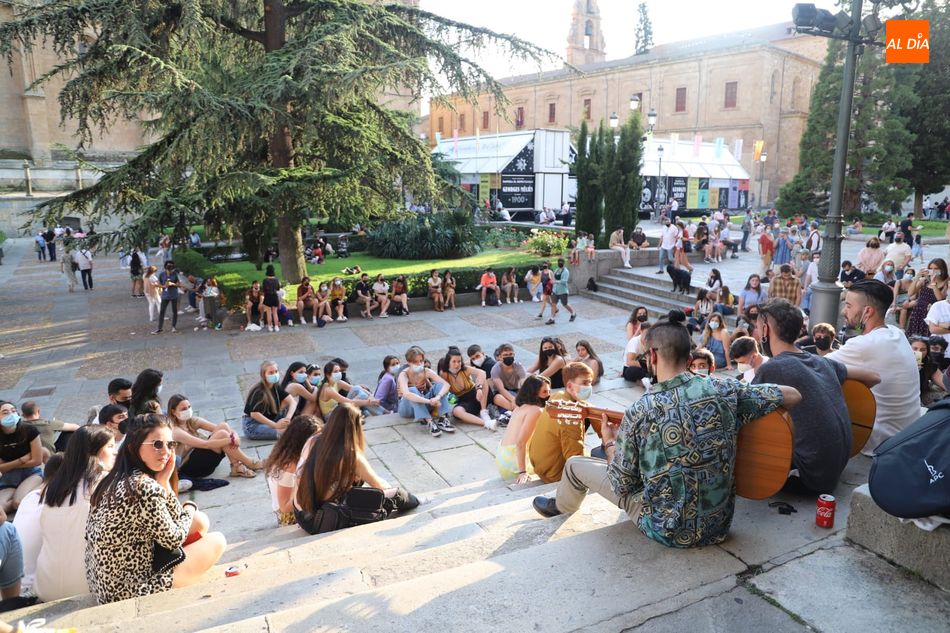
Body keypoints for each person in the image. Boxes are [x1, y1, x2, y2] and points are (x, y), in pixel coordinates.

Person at [531, 311, 802, 547]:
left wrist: (610, 442)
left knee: (576, 464)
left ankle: (561, 506)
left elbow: (620, 484)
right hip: (718, 526)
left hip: (666, 530)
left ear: (652, 356)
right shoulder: (724, 388)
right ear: (688, 355)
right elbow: (792, 395)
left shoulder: (641, 411)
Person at [86, 413, 226, 604]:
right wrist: (189, 508)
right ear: (133, 448)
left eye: (171, 445)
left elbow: (171, 524)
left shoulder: (112, 479)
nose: (166, 452)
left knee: (199, 522)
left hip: (103, 585)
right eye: (157, 444)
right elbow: (173, 539)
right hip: (131, 589)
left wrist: (164, 484)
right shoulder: (142, 486)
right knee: (217, 540)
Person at [753, 299, 880, 494]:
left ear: (766, 329)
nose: (755, 332)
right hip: (835, 467)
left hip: (809, 475)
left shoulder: (771, 368)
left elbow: (743, 411)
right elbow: (873, 377)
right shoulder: (822, 362)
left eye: (756, 327)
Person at [292, 405, 418, 535]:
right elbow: (379, 485)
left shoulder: (312, 441)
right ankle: (420, 502)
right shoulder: (351, 455)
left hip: (301, 513)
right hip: (325, 519)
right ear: (355, 428)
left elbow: (298, 476)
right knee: (397, 494)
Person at [827, 280, 920, 455]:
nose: (843, 311)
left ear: (867, 312)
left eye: (848, 306)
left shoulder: (864, 344)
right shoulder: (895, 332)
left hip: (880, 442)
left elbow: (812, 368)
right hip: (906, 433)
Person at [33, 425, 116, 602]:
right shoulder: (106, 484)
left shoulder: (53, 487)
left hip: (46, 586)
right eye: (110, 446)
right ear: (96, 452)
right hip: (90, 586)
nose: (115, 452)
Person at [527, 362, 600, 484]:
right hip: (555, 473)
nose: (589, 387)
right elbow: (576, 461)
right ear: (570, 386)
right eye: (585, 383)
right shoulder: (571, 414)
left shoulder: (558, 396)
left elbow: (584, 405)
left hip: (541, 467)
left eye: (590, 383)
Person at [168, 394, 262, 480]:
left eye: (189, 407)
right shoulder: (176, 431)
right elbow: (205, 445)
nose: (188, 411)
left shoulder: (192, 421)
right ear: (173, 412)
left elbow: (226, 428)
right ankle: (249, 462)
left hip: (201, 457)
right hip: (191, 468)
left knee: (223, 426)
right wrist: (231, 439)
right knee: (222, 434)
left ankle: (236, 466)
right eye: (183, 409)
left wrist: (235, 436)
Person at [264, 414, 321, 526]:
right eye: (314, 438)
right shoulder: (289, 466)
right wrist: (311, 492)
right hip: (290, 517)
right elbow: (285, 507)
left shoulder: (294, 456)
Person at [495, 375, 550, 483]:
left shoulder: (520, 407)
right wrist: (523, 472)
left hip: (503, 458)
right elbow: (520, 442)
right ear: (534, 393)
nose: (548, 395)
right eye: (544, 392)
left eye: (549, 391)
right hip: (513, 465)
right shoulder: (535, 410)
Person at [396, 346, 454, 437]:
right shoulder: (403, 374)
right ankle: (429, 422)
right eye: (415, 362)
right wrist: (429, 401)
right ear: (408, 362)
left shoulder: (426, 371)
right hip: (407, 409)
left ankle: (443, 419)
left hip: (424, 403)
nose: (419, 364)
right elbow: (406, 394)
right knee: (412, 390)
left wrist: (437, 397)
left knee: (439, 385)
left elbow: (446, 385)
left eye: (421, 361)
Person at [0, 402, 44, 515]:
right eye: (5, 412)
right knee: (1, 508)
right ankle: (17, 494)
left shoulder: (29, 430)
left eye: (13, 411)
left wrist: (9, 464)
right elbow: (1, 469)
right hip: (9, 479)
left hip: (31, 474)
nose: (11, 414)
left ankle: (42, 488)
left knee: (18, 502)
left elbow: (37, 460)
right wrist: (23, 460)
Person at [438, 348, 496, 430]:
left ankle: (484, 412)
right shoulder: (444, 374)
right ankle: (486, 423)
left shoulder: (464, 369)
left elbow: (482, 373)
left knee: (483, 381)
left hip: (479, 395)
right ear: (448, 362)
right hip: (464, 400)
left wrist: (479, 388)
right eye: (454, 361)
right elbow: (440, 387)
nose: (457, 364)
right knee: (456, 411)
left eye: (459, 361)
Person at [243, 361, 295, 440]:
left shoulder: (276, 387)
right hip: (253, 425)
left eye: (276, 371)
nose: (274, 374)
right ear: (264, 375)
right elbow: (254, 414)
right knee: (288, 433)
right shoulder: (259, 391)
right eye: (271, 373)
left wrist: (288, 419)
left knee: (291, 427)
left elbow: (292, 402)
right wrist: (275, 425)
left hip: (270, 419)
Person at [317, 360, 384, 420]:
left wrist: (370, 396)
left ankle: (379, 412)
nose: (339, 373)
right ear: (328, 375)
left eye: (339, 371)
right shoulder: (328, 389)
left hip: (338, 410)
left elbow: (355, 388)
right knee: (362, 396)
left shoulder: (337, 382)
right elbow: (349, 402)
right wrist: (369, 402)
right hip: (331, 416)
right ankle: (383, 412)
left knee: (357, 389)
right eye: (335, 371)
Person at [907, 259, 948, 337]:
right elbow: (910, 293)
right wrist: (917, 278)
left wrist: (933, 283)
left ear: (942, 269)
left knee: (928, 337)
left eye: (936, 268)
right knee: (915, 336)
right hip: (918, 311)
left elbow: (940, 298)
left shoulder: (945, 282)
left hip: (932, 313)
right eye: (931, 268)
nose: (933, 271)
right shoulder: (925, 281)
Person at [490, 344, 527, 413]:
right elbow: (501, 389)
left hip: (517, 391)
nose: (508, 356)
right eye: (505, 355)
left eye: (510, 354)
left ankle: (514, 410)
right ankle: (520, 410)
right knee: (497, 398)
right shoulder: (495, 369)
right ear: (500, 357)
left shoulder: (518, 366)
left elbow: (524, 384)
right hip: (502, 393)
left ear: (514, 355)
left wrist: (519, 397)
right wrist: (513, 399)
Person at [152, 260, 181, 335]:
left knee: (174, 311)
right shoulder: (162, 274)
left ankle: (174, 326)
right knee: (162, 311)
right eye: (168, 266)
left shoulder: (175, 274)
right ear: (165, 266)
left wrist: (174, 284)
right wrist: (164, 286)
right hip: (165, 295)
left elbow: (179, 283)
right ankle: (159, 328)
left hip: (174, 294)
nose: (170, 267)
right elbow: (158, 284)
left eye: (171, 266)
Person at [547, 258, 576, 325]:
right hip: (555, 290)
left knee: (565, 304)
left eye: (561, 262)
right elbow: (553, 277)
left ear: (563, 263)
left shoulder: (566, 271)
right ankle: (552, 319)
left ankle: (573, 313)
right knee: (553, 304)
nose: (560, 263)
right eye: (559, 261)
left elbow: (564, 281)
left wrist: (555, 281)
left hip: (563, 291)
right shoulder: (556, 270)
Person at [261, 265, 282, 332]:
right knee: (275, 313)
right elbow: (278, 288)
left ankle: (270, 326)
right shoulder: (276, 280)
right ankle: (276, 326)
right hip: (275, 296)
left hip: (267, 297)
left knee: (268, 313)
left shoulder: (265, 280)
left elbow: (264, 290)